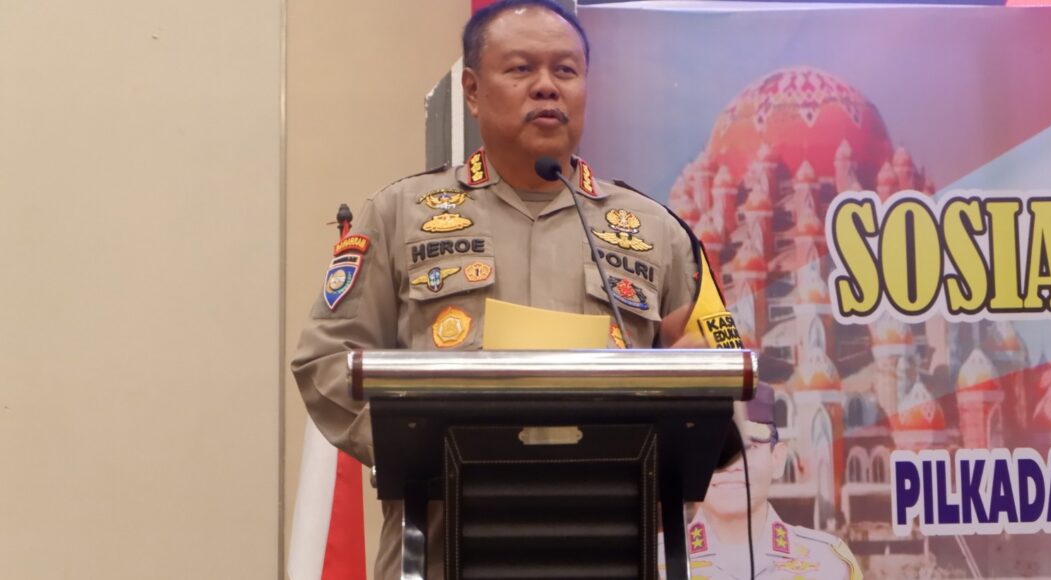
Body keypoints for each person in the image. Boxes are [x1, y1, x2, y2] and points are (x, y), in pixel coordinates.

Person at [292, 1, 740, 578]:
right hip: (443, 543)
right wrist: (415, 447)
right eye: (522, 69)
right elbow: (325, 358)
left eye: (565, 70)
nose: (547, 87)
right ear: (473, 92)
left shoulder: (657, 230)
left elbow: (719, 369)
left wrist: (698, 381)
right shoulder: (400, 214)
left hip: (606, 539)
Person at [661, 384, 863, 579]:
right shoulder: (654, 561)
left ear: (777, 459)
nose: (732, 465)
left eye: (750, 447)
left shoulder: (829, 564)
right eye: (714, 446)